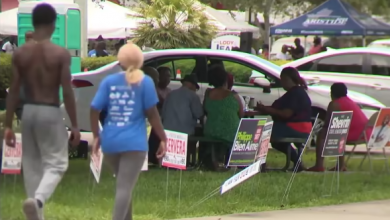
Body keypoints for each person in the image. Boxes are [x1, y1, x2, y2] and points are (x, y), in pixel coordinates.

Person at [3, 3, 80, 220]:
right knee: (57, 163)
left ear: (34, 23)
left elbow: (14, 90)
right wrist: (75, 124)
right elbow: (67, 90)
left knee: (32, 166)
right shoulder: (60, 53)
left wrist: (8, 125)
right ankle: (37, 201)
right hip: (49, 110)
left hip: (27, 112)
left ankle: (35, 210)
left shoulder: (21, 53)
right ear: (54, 24)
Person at [90, 43, 166, 220]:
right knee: (125, 186)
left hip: (110, 142)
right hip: (134, 143)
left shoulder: (109, 81)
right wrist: (163, 137)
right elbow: (153, 115)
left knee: (125, 183)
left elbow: (94, 109)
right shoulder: (145, 82)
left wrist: (96, 135)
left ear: (120, 61)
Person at [256, 67, 312, 171]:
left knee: (262, 132)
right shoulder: (296, 92)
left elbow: (286, 114)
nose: (281, 82)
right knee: (276, 142)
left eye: (282, 79)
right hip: (301, 126)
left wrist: (267, 110)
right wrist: (267, 109)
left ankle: (260, 164)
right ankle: (296, 161)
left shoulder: (295, 93)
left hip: (296, 126)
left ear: (287, 79)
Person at [307, 83, 372, 172]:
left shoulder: (335, 104)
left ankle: (319, 165)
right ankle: (340, 165)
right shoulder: (350, 101)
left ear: (332, 93)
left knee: (323, 134)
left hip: (354, 134)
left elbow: (329, 124)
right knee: (339, 132)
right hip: (365, 133)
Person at [203, 66, 244, 169]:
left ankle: (215, 160)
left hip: (211, 130)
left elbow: (206, 110)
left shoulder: (208, 95)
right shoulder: (233, 95)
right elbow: (241, 114)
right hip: (232, 132)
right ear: (225, 79)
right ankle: (231, 162)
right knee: (234, 133)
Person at [148, 66, 171, 165]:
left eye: (169, 76)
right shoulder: (154, 89)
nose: (167, 79)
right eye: (165, 76)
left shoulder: (169, 91)